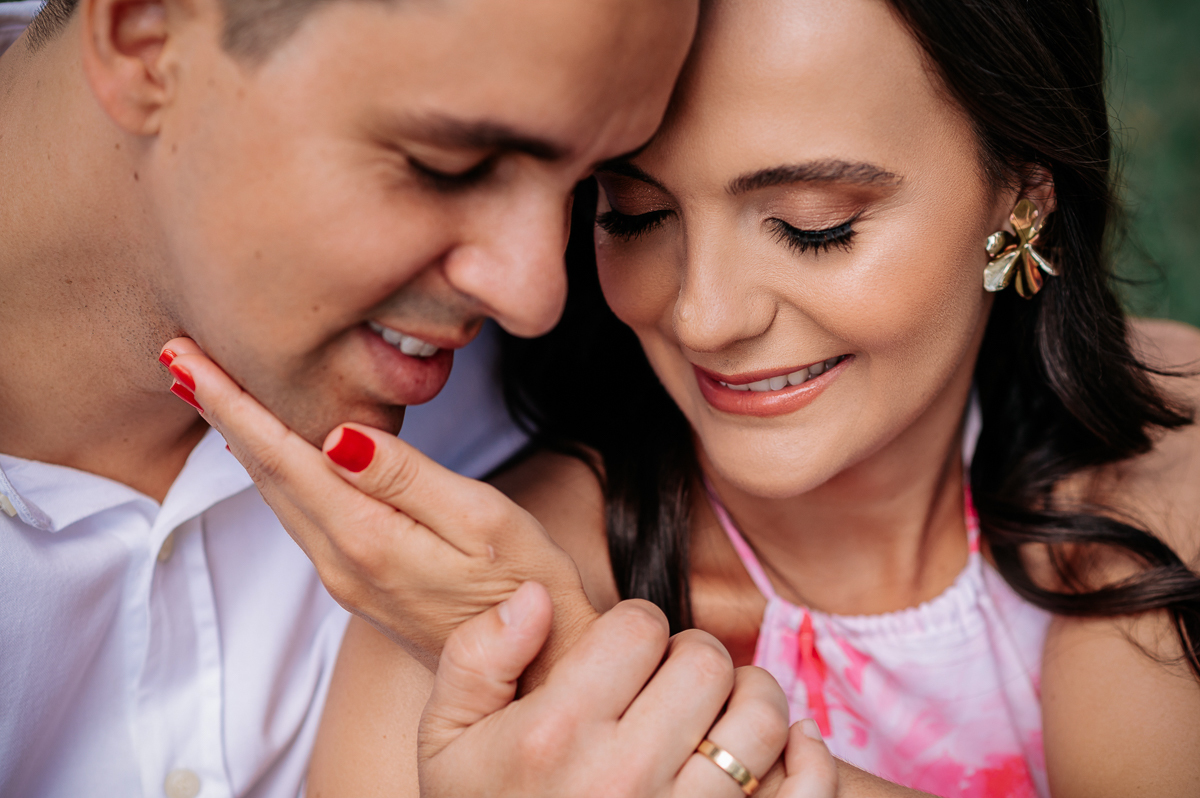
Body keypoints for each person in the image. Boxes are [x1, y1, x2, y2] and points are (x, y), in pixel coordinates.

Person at [176, 0, 1200, 795]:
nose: (705, 315)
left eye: (813, 225)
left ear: (1021, 186)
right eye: (636, 213)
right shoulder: (477, 634)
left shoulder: (1163, 464)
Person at [0, 0, 829, 795]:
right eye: (450, 168)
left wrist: (569, 672)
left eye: (596, 191)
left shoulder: (610, 362)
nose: (536, 298)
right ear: (145, 38)